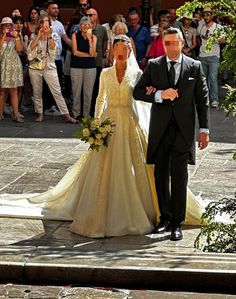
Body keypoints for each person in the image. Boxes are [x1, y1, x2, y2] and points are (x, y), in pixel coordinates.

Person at [0, 35, 206, 239]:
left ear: (130, 51)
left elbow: (146, 96)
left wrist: (201, 127)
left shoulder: (138, 72)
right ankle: (159, 217)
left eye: (124, 48)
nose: (121, 52)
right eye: (117, 47)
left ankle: (171, 219)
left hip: (134, 123)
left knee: (158, 171)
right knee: (138, 171)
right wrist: (97, 124)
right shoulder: (108, 73)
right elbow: (105, 98)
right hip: (110, 122)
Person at [133, 27, 210, 241]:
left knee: (179, 177)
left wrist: (204, 130)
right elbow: (138, 91)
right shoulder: (154, 65)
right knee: (160, 176)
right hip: (160, 130)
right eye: (167, 43)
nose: (172, 47)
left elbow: (202, 101)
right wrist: (159, 94)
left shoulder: (195, 67)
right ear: (163, 45)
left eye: (175, 43)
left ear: (182, 44)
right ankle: (164, 219)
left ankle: (177, 222)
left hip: (183, 131)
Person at [27, 14, 76, 123]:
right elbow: (30, 48)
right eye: (42, 21)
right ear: (39, 23)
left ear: (49, 24)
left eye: (46, 21)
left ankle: (66, 115)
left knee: (57, 91)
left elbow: (54, 49)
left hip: (49, 66)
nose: (44, 24)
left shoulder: (53, 35)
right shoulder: (34, 35)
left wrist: (48, 35)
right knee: (37, 91)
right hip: (35, 66)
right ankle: (40, 114)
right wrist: (39, 36)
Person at [197, 7, 225, 108]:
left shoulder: (218, 27)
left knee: (213, 78)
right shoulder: (201, 26)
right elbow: (198, 37)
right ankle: (205, 99)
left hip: (214, 56)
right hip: (202, 56)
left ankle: (214, 100)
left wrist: (213, 38)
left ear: (212, 16)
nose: (206, 16)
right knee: (203, 79)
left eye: (208, 14)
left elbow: (223, 40)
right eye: (205, 14)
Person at [70, 16, 97, 119]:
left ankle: (86, 114)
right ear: (80, 26)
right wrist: (90, 55)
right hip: (76, 66)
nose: (85, 26)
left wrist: (90, 40)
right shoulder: (75, 35)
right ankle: (76, 113)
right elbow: (75, 52)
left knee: (88, 92)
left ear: (90, 26)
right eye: (83, 24)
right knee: (76, 91)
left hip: (90, 67)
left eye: (87, 25)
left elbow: (93, 52)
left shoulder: (94, 37)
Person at [0, 17, 24, 123]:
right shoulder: (1, 36)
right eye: (5, 25)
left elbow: (19, 49)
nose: (8, 27)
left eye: (9, 25)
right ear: (2, 27)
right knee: (2, 91)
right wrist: (4, 35)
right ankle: (0, 113)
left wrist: (17, 37)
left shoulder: (16, 36)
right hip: (3, 65)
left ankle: (16, 114)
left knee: (14, 90)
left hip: (14, 65)